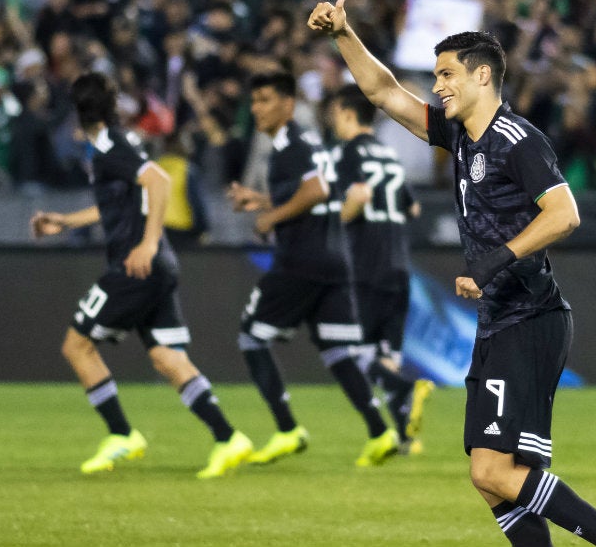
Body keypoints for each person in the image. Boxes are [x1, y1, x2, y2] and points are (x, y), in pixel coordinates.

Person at [309, 0, 596, 547]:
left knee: (493, 471)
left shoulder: (516, 140)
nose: (438, 86)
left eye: (447, 75)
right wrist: (343, 34)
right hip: (500, 319)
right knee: (492, 483)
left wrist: (494, 259)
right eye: (434, 77)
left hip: (530, 317)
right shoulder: (459, 138)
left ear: (482, 76)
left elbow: (565, 213)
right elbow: (382, 93)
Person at [30, 71, 253, 479]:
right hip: (158, 267)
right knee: (168, 357)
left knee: (77, 345)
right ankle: (228, 437)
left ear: (77, 114)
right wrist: (66, 221)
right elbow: (115, 204)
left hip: (136, 267)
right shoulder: (117, 145)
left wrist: (148, 243)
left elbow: (159, 180)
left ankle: (121, 434)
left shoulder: (111, 147)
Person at [226, 71, 398, 468]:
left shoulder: (290, 143)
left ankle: (287, 429)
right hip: (334, 259)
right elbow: (319, 189)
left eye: (266, 99)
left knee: (252, 337)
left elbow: (316, 191)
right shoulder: (310, 143)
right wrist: (263, 199)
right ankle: (380, 431)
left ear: (288, 104)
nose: (257, 109)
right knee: (338, 350)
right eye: (254, 101)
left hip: (301, 260)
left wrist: (272, 218)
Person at [327, 84, 436, 455]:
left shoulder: (347, 154)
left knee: (353, 352)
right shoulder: (388, 155)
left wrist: (332, 222)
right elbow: (413, 209)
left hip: (364, 266)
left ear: (345, 112)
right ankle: (405, 437)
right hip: (398, 265)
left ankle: (403, 388)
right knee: (388, 353)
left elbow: (357, 196)